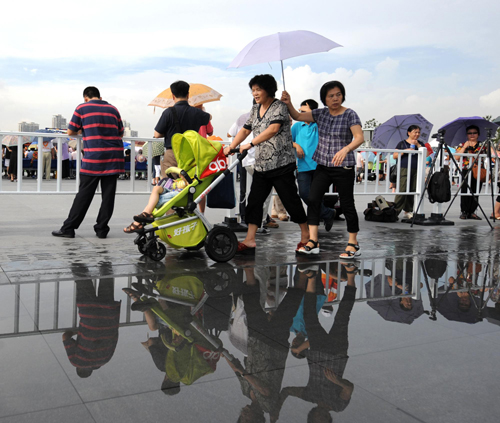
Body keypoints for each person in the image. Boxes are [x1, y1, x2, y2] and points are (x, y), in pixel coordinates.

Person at [224, 74, 310, 255]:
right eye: (253, 89)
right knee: (254, 202)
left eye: (258, 89)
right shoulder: (255, 109)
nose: (255, 93)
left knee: (291, 201)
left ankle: (305, 235)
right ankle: (249, 240)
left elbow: (273, 129)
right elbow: (246, 129)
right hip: (262, 165)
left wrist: (250, 144)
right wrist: (232, 147)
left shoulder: (279, 106)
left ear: (268, 89)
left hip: (281, 164)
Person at [282, 81, 364, 258]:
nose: (335, 98)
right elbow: (296, 116)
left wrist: (346, 149)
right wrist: (288, 103)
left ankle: (353, 243)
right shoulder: (320, 114)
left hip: (343, 165)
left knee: (347, 203)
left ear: (342, 95)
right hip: (323, 165)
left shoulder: (350, 114)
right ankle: (313, 241)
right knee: (312, 199)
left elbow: (359, 137)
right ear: (324, 99)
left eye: (338, 94)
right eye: (330, 96)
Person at [52, 86, 124, 239]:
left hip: (94, 158)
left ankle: (69, 227)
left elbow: (70, 131)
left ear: (85, 97)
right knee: (108, 196)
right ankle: (102, 229)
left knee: (84, 194)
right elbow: (120, 132)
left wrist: (83, 130)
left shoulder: (82, 108)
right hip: (113, 158)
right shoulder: (113, 109)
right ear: (100, 96)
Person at [63, 264, 120, 378]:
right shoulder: (76, 361)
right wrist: (79, 332)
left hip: (109, 313)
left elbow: (115, 336)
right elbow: (65, 337)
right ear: (79, 369)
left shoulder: (105, 359)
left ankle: (104, 252)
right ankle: (74, 253)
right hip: (89, 312)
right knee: (82, 277)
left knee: (106, 276)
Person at [292, 99, 336, 231]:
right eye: (299, 111)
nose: (300, 114)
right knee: (305, 194)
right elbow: (287, 140)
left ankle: (314, 228)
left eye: (303, 111)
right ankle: (327, 213)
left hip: (320, 166)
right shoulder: (296, 126)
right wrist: (296, 145)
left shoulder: (321, 125)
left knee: (316, 197)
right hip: (303, 166)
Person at [153, 81, 211, 176]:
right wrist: (199, 111)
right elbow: (209, 117)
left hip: (172, 153)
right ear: (188, 95)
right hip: (191, 154)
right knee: (189, 183)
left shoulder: (168, 112)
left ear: (173, 96)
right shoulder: (196, 112)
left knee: (169, 183)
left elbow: (157, 134)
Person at [123, 173, 188, 233]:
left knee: (156, 201)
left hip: (181, 191)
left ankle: (140, 220)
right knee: (156, 188)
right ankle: (145, 215)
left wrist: (184, 179)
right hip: (173, 187)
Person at [392, 125, 426, 219]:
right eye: (415, 132)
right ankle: (395, 211)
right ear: (409, 133)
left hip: (416, 168)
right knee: (402, 189)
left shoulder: (421, 144)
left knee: (413, 189)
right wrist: (405, 151)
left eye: (418, 132)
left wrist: (418, 146)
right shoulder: (402, 143)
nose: (417, 134)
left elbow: (426, 155)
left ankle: (408, 211)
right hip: (404, 168)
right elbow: (394, 155)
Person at [455, 125, 485, 220]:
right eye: (470, 133)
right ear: (467, 135)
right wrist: (464, 147)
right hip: (466, 169)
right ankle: (464, 211)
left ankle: (472, 211)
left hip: (478, 170)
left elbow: (490, 154)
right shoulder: (462, 144)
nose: (472, 135)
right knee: (465, 190)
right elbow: (456, 157)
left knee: (476, 191)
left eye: (474, 133)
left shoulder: (482, 145)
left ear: (478, 134)